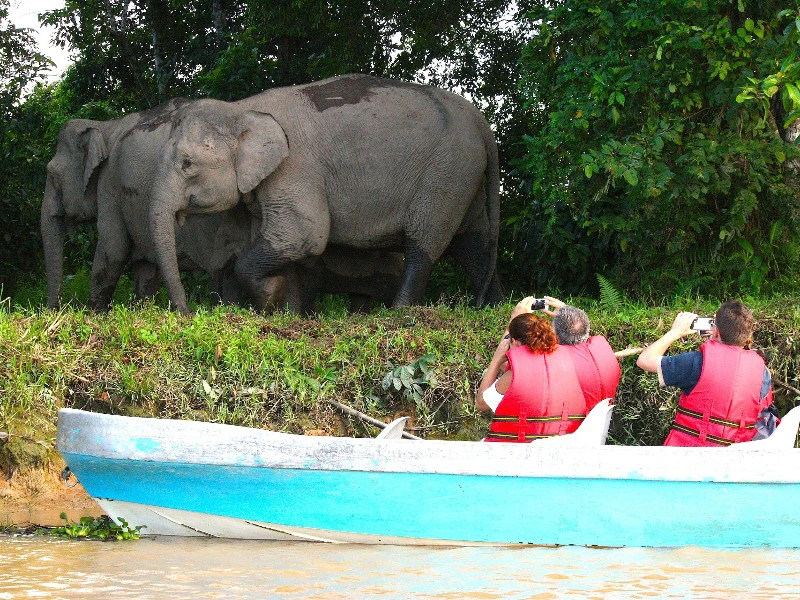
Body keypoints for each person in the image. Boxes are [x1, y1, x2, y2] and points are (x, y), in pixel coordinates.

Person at [636, 301, 776, 446]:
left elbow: (645, 360)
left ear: (715, 331)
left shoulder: (697, 362)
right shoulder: (762, 372)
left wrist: (675, 332)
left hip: (687, 459)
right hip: (735, 463)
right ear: (748, 336)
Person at [476, 307, 587, 442]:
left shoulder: (512, 377)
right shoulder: (566, 361)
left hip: (521, 448)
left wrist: (496, 360)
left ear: (515, 342)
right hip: (559, 443)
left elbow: (481, 404)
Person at [544, 296, 621, 411]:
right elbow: (579, 329)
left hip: (568, 427)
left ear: (554, 335)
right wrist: (568, 313)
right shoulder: (603, 353)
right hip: (599, 426)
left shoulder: (550, 362)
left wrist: (514, 320)